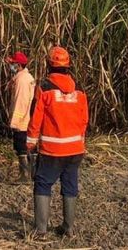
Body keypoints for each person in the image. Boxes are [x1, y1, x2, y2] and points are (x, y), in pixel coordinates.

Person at [26, 46, 88, 237]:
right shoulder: (79, 90)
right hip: (75, 149)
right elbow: (84, 119)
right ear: (68, 66)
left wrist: (30, 142)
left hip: (53, 149)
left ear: (49, 65)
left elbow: (36, 118)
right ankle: (68, 228)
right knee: (70, 185)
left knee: (43, 183)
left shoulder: (44, 89)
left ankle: (40, 230)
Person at [5, 51, 36, 182]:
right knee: (30, 147)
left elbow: (20, 102)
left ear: (18, 65)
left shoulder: (22, 80)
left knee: (21, 147)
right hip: (28, 119)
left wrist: (14, 122)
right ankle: (34, 175)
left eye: (12, 64)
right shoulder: (26, 77)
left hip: (22, 121)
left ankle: (25, 175)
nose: (10, 66)